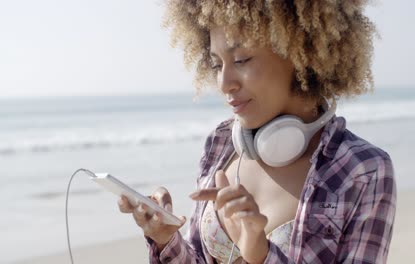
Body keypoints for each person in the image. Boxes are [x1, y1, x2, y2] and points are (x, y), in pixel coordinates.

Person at [119, 1, 396, 263]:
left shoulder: (363, 171)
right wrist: (165, 239)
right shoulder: (221, 144)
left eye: (241, 59)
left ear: (299, 50)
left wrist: (261, 255)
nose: (224, 83)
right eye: (217, 64)